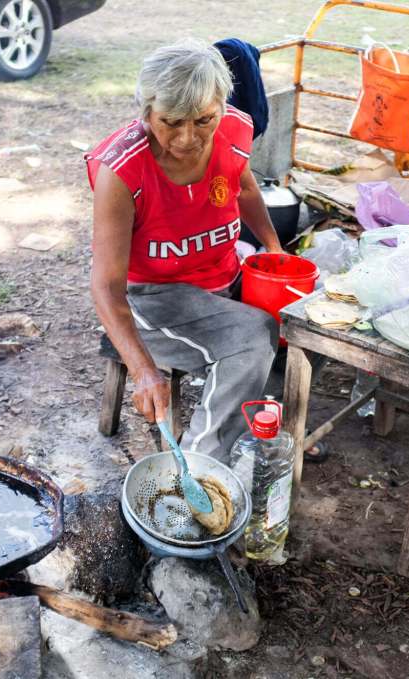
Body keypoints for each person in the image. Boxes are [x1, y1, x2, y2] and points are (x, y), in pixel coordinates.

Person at [87, 40, 284, 460]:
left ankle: (267, 432)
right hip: (154, 298)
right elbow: (106, 287)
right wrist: (143, 371)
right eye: (171, 122)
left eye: (204, 120)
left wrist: (273, 248)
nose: (188, 138)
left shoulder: (233, 128)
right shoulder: (121, 172)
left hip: (222, 274)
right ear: (146, 112)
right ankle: (197, 469)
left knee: (301, 325)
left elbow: (245, 188)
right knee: (252, 338)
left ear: (221, 107)